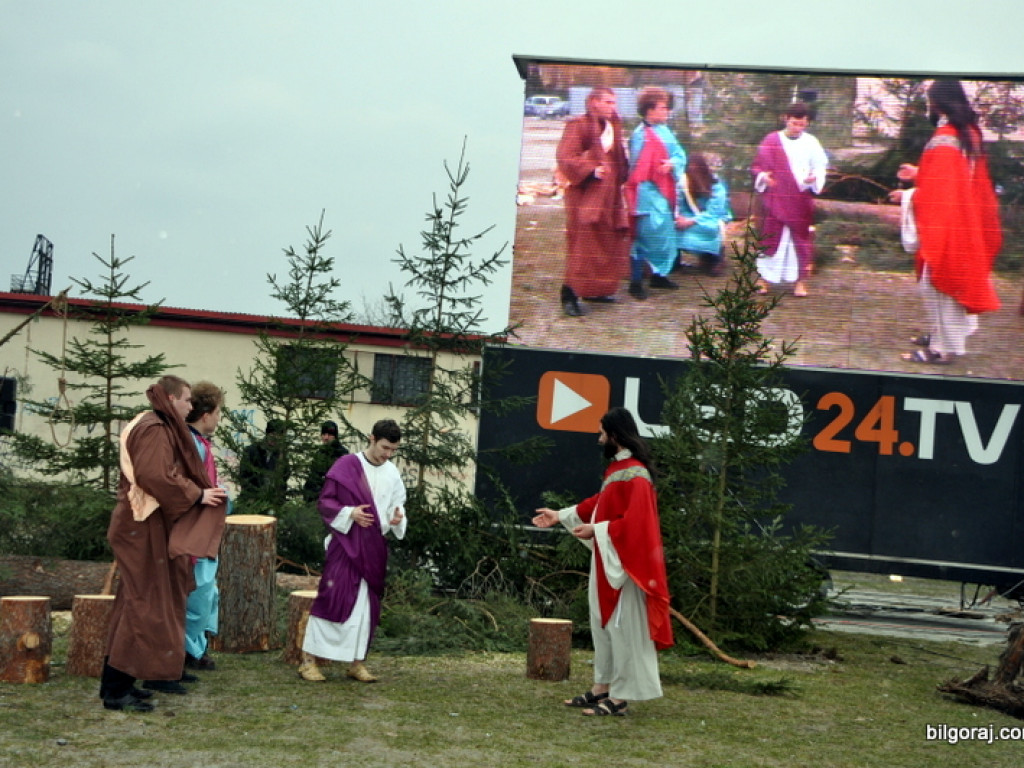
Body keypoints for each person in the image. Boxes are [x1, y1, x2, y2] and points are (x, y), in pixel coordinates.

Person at [532, 407, 673, 717]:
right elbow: (600, 504)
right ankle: (603, 687)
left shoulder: (636, 475)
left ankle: (621, 697)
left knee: (623, 628)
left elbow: (638, 523)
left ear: (616, 436)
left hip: (626, 567)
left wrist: (597, 529)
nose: (599, 439)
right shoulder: (618, 470)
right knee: (603, 624)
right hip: (609, 559)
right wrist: (562, 516)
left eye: (602, 433)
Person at [99, 376, 228, 712]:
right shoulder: (155, 427)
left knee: (140, 603)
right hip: (140, 526)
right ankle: (115, 689)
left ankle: (123, 682)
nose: (191, 406)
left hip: (144, 525)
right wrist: (197, 494)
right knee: (140, 606)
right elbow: (154, 475)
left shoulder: (153, 423)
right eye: (186, 400)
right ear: (171, 399)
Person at [894, 80, 1002, 365]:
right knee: (946, 280)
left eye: (930, 101)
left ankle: (942, 349)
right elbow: (957, 179)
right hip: (965, 219)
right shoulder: (968, 132)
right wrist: (920, 173)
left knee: (938, 281)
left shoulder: (945, 135)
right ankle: (940, 334)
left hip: (949, 223)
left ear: (938, 103)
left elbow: (941, 191)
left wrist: (906, 196)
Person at [299, 419, 407, 683]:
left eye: (393, 450)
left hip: (373, 547)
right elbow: (326, 502)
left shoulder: (392, 472)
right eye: (384, 447)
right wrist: (351, 513)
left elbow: (398, 504)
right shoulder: (346, 465)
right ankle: (308, 662)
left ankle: (356, 662)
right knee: (332, 597)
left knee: (365, 608)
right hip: (346, 544)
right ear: (371, 438)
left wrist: (398, 518)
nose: (387, 454)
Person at [555, 87, 631, 317]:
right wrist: (591, 170)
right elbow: (566, 156)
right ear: (594, 102)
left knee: (606, 242)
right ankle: (569, 293)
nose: (612, 107)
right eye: (607, 102)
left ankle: (596, 289)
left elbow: (618, 158)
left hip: (609, 195)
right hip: (585, 194)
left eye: (614, 103)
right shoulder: (578, 125)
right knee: (583, 245)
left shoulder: (613, 126)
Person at [750, 102, 828, 297]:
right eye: (794, 123)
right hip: (775, 197)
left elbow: (819, 166)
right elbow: (757, 166)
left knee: (799, 240)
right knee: (770, 237)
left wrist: (814, 178)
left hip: (799, 198)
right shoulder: (772, 139)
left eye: (802, 125)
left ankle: (800, 282)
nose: (798, 128)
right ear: (786, 119)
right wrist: (763, 177)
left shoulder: (811, 142)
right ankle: (763, 279)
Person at [184, 381, 232, 672]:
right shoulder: (191, 445)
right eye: (218, 412)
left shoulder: (200, 444)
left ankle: (196, 647)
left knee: (207, 592)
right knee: (197, 595)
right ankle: (187, 651)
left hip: (205, 532)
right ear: (206, 414)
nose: (219, 418)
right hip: (195, 534)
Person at [625, 87, 688, 299]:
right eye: (663, 107)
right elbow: (634, 170)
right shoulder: (639, 135)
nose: (668, 111)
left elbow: (680, 153)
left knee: (665, 235)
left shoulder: (666, 131)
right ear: (649, 110)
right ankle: (636, 282)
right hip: (645, 193)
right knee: (643, 235)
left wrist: (672, 163)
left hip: (665, 191)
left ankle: (659, 275)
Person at [676, 152, 733, 276]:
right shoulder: (684, 184)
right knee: (674, 227)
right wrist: (680, 218)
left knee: (709, 228)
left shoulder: (717, 186)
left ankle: (715, 257)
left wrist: (691, 221)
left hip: (712, 218)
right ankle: (675, 262)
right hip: (690, 215)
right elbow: (680, 205)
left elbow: (714, 212)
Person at [238, 418, 289, 508]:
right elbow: (244, 476)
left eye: (279, 435)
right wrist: (252, 497)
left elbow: (284, 479)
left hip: (273, 503)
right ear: (267, 433)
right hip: (251, 502)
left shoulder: (282, 456)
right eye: (273, 434)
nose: (275, 438)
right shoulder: (252, 451)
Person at [303, 420, 349, 501]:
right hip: (316, 498)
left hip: (334, 499)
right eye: (324, 434)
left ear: (335, 436)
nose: (326, 438)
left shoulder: (342, 454)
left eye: (329, 435)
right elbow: (312, 477)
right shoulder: (319, 453)